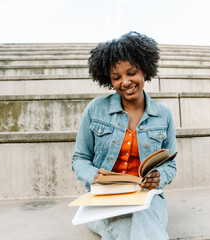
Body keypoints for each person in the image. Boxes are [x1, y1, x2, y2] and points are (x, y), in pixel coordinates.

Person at [72, 31, 177, 240]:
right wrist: (94, 177)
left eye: (132, 73)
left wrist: (159, 177)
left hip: (148, 198)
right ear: (108, 80)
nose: (126, 82)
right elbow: (80, 159)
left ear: (144, 70)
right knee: (126, 222)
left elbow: (170, 165)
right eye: (116, 77)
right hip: (103, 199)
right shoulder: (95, 109)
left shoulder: (163, 115)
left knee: (137, 217)